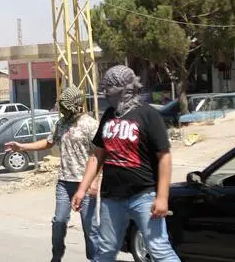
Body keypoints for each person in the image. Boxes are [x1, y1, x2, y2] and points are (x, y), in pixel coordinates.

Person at [71, 65, 180, 262]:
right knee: (105, 250)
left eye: (109, 88)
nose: (106, 93)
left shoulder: (148, 115)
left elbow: (164, 157)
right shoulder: (109, 116)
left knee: (159, 249)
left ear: (125, 88)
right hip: (111, 199)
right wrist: (82, 189)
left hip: (143, 196)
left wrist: (162, 197)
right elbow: (97, 156)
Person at [5, 85, 100, 261]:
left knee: (90, 226)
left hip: (85, 183)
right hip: (64, 182)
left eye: (65, 106)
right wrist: (22, 146)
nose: (62, 109)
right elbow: (48, 143)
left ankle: (95, 258)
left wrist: (95, 181)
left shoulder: (91, 124)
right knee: (59, 221)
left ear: (76, 104)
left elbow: (99, 155)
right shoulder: (61, 124)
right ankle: (56, 257)